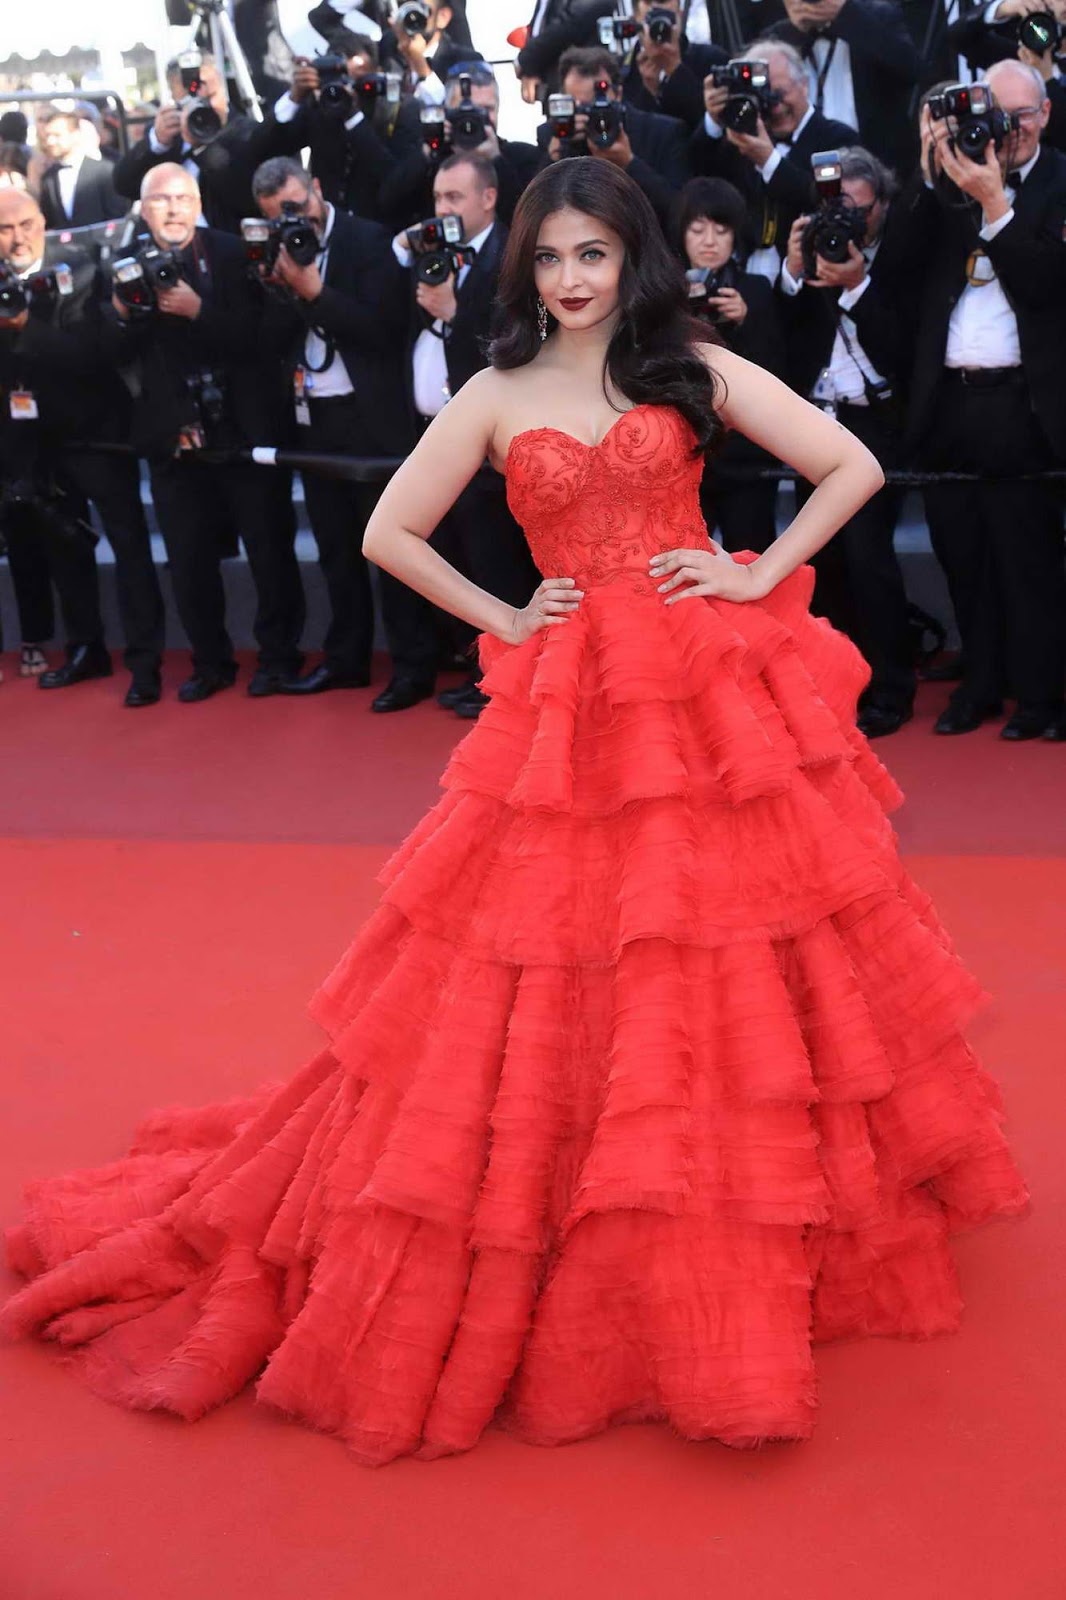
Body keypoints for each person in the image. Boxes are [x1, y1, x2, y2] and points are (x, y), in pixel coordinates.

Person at [1, 158, 1028, 1466]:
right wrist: (504, 614)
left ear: (632, 258)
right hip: (570, 705)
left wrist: (754, 568)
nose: (570, 279)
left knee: (730, 940)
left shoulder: (688, 367)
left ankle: (738, 1191)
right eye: (548, 258)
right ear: (522, 269)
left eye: (593, 254)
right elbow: (390, 530)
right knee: (552, 950)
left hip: (704, 692)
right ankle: (579, 1183)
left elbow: (849, 463)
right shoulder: (492, 392)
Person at [895, 62, 1066, 739]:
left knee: (1026, 561)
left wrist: (998, 205)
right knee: (962, 555)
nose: (1005, 130)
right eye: (993, 113)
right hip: (949, 403)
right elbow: (899, 267)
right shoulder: (953, 182)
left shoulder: (1056, 182)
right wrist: (929, 168)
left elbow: (1049, 286)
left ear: (1045, 114)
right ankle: (981, 687)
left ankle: (1041, 698)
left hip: (1025, 404)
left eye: (1019, 116)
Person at [105, 164, 304, 703]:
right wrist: (125, 314)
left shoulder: (236, 252)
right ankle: (209, 662)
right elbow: (111, 356)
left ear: (197, 202)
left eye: (180, 198)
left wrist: (199, 311)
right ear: (143, 211)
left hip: (242, 430)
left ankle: (278, 658)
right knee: (189, 562)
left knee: (269, 552)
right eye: (158, 201)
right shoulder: (123, 267)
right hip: (174, 438)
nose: (171, 209)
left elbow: (261, 342)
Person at [382, 151, 540, 716]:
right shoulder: (430, 256)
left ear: (489, 198)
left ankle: (513, 680)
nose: (442, 209)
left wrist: (453, 312)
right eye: (438, 198)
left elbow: (509, 348)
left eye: (454, 198)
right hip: (434, 438)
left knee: (496, 566)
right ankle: (483, 674)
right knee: (457, 561)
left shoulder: (512, 259)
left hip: (494, 451)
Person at [251, 157, 410, 694]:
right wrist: (280, 288)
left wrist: (316, 290)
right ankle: (347, 659)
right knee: (335, 549)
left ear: (317, 188)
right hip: (313, 417)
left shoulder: (369, 240)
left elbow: (383, 331)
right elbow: (269, 342)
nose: (294, 219)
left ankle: (411, 665)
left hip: (371, 418)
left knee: (389, 549)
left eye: (297, 206)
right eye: (277, 215)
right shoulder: (279, 251)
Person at [0, 188, 164, 705]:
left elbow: (92, 355)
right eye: (5, 230)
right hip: (35, 443)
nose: (17, 238)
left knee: (129, 548)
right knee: (64, 550)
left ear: (42, 222)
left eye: (25, 224)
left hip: (99, 435)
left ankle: (145, 663)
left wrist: (25, 328)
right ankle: (85, 647)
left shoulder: (86, 269)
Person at [779, 146, 916, 737]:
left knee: (869, 561)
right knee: (823, 562)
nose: (846, 223)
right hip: (815, 422)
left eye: (858, 211)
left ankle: (889, 685)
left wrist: (858, 285)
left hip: (872, 425)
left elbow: (904, 349)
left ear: (881, 207)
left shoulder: (902, 262)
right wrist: (791, 273)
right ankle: (830, 682)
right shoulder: (811, 252)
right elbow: (782, 337)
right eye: (837, 209)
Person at [675, 175, 785, 554]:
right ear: (682, 234)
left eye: (721, 230)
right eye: (698, 229)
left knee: (752, 553)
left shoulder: (755, 288)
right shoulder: (665, 290)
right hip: (682, 455)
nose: (709, 241)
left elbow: (774, 370)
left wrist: (746, 321)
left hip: (745, 457)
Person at [691, 40, 859, 280]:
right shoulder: (742, 135)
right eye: (764, 97)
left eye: (779, 94)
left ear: (805, 85)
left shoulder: (838, 138)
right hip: (743, 280)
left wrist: (769, 161)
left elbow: (827, 202)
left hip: (806, 284)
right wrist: (714, 118)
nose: (775, 107)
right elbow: (697, 174)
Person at [537, 45, 691, 228]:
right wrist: (553, 159)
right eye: (578, 106)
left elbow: (680, 212)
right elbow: (536, 214)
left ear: (617, 94)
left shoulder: (663, 131)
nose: (588, 113)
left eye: (596, 103)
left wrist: (630, 164)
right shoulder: (553, 135)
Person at [113, 55, 258, 234]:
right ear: (174, 97)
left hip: (228, 243)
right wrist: (156, 143)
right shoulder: (168, 135)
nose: (201, 109)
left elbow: (248, 198)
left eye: (208, 98)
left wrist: (203, 147)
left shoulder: (247, 132)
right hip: (172, 244)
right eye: (190, 101)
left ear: (222, 88)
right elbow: (124, 185)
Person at [37, 106, 127, 230]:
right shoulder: (49, 177)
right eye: (47, 136)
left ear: (75, 135)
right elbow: (49, 222)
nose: (50, 141)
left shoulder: (104, 171)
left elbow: (117, 217)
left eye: (57, 135)